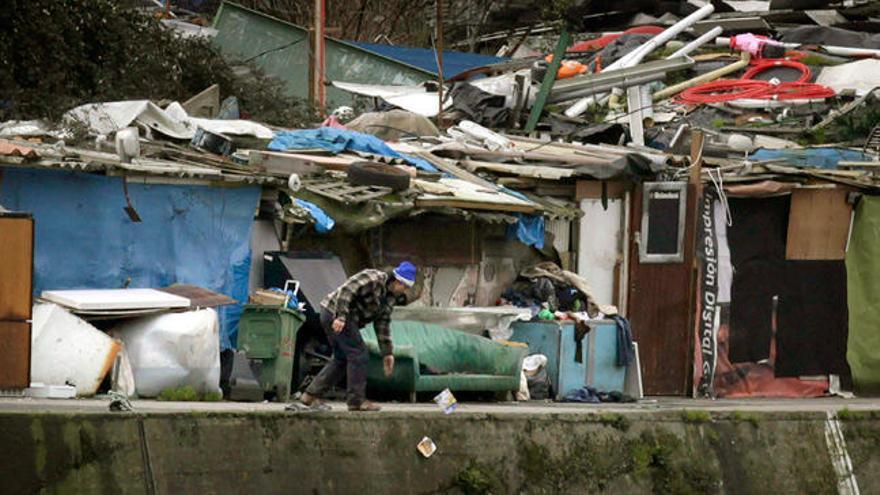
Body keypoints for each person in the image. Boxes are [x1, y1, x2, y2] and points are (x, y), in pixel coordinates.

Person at [298, 261, 417, 412]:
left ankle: (310, 395)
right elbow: (347, 291)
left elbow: (382, 324)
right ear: (396, 280)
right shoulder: (372, 278)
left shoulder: (390, 298)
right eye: (404, 286)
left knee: (341, 357)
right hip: (333, 312)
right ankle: (356, 401)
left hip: (347, 319)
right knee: (359, 353)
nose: (403, 291)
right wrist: (340, 316)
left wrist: (387, 353)